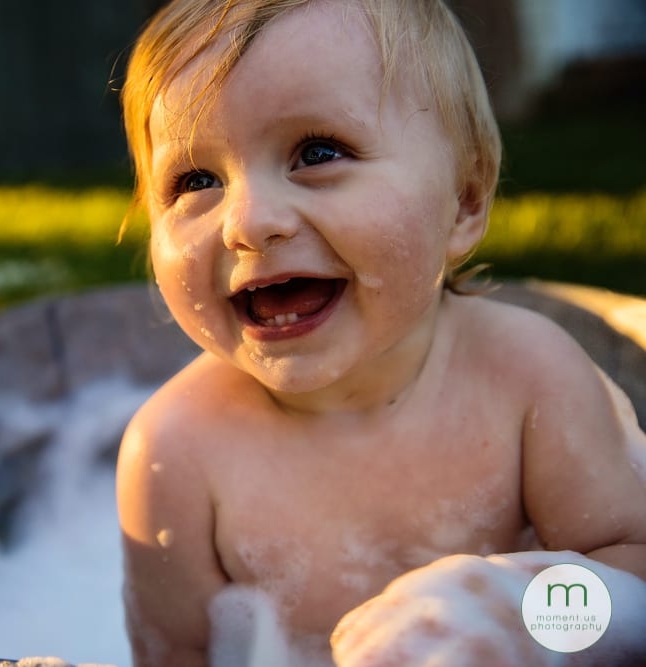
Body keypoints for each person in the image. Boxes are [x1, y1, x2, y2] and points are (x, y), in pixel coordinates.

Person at [114, 1, 646, 665]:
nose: (248, 221)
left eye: (317, 152)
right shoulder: (175, 452)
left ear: (465, 203)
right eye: (196, 180)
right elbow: (173, 657)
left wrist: (518, 616)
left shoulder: (528, 376)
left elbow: (633, 570)